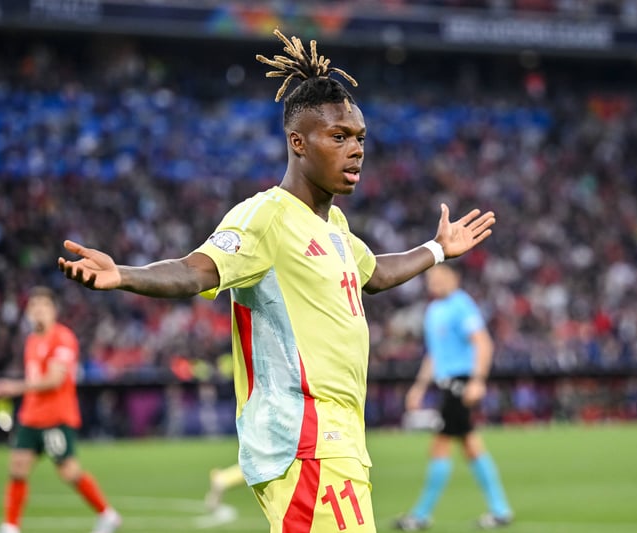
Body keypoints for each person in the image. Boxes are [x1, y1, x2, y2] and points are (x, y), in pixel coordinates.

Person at [58, 28, 495, 533]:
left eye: (359, 138)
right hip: (305, 440)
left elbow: (374, 274)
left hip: (337, 438)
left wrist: (437, 249)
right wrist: (123, 275)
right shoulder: (265, 217)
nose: (355, 149)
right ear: (297, 142)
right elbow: (196, 269)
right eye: (338, 137)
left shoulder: (333, 226)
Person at [0, 286, 121, 533]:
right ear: (28, 311)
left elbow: (54, 380)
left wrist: (14, 387)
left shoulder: (63, 338)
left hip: (56, 417)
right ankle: (10, 526)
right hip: (31, 416)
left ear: (54, 310)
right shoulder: (32, 340)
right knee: (17, 467)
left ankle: (107, 514)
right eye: (34, 305)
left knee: (69, 472)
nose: (38, 310)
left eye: (44, 305)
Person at [395, 263, 513, 530]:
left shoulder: (462, 305)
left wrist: (477, 380)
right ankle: (500, 510)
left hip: (460, 384)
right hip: (446, 385)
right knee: (470, 445)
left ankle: (421, 515)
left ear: (454, 277)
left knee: (441, 445)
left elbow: (483, 343)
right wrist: (419, 387)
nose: (433, 281)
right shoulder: (433, 311)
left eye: (439, 276)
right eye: (430, 277)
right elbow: (434, 355)